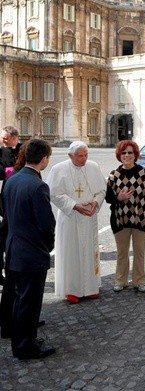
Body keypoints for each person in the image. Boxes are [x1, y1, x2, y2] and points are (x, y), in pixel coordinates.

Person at [2, 139, 56, 360]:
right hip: (31, 252)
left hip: (14, 247)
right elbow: (46, 224)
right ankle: (25, 346)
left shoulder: (13, 179)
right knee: (29, 302)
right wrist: (48, 246)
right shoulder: (37, 185)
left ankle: (22, 339)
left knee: (19, 299)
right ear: (44, 159)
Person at [46, 141, 106, 304]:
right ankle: (72, 289)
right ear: (70, 156)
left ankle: (90, 288)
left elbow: (101, 190)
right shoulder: (59, 169)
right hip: (70, 217)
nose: (84, 159)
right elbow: (53, 194)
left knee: (89, 251)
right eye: (80, 156)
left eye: (86, 155)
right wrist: (74, 206)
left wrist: (95, 202)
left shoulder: (93, 167)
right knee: (71, 253)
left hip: (89, 217)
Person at [105, 140, 145, 293]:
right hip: (120, 219)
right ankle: (120, 280)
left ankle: (139, 280)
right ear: (119, 155)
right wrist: (118, 198)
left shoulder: (144, 173)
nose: (127, 155)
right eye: (123, 153)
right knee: (122, 252)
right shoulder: (114, 175)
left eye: (130, 152)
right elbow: (108, 198)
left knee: (139, 251)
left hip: (141, 218)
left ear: (135, 155)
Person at [0, 126, 22, 285]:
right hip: (6, 196)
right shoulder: (0, 151)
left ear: (14, 137)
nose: (3, 140)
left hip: (22, 195)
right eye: (2, 138)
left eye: (6, 138)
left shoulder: (24, 150)